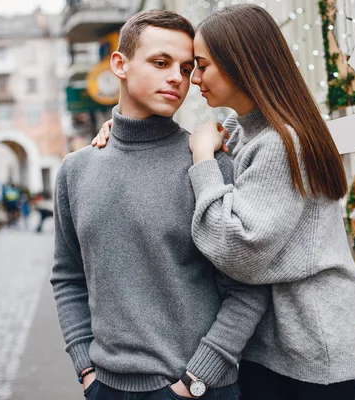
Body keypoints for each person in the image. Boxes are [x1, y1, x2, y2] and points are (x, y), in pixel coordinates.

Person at [93, 4, 355, 400]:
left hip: (306, 354)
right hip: (266, 347)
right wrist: (121, 132)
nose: (193, 78)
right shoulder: (241, 129)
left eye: (200, 66)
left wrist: (203, 160)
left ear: (242, 64)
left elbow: (238, 251)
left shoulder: (281, 142)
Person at [53, 9, 268, 400]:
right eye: (160, 62)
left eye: (187, 68)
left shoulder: (209, 163)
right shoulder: (76, 170)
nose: (176, 78)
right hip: (105, 387)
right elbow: (68, 277)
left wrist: (193, 382)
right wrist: (85, 367)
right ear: (119, 64)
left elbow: (249, 287)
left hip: (196, 389)